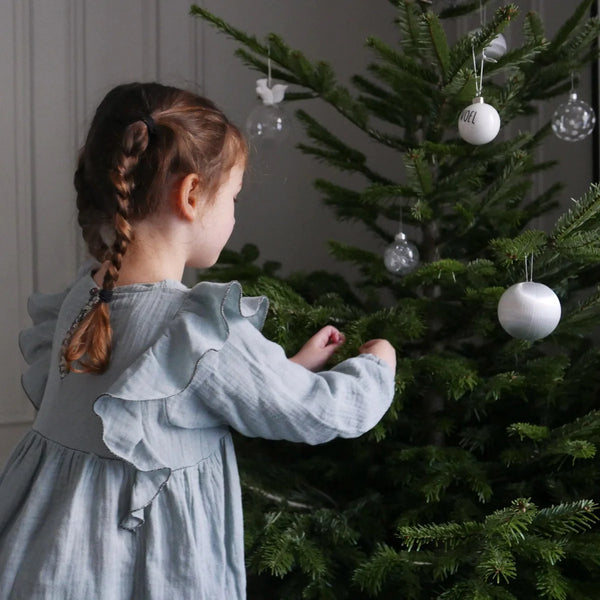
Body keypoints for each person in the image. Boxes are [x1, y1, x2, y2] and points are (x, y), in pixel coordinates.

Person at [0, 82, 396, 599]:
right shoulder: (196, 328)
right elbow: (315, 411)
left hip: (48, 560)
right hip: (148, 569)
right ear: (190, 196)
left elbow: (177, 401)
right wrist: (378, 365)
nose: (234, 213)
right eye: (232, 197)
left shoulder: (83, 298)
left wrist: (290, 366)